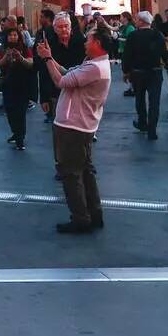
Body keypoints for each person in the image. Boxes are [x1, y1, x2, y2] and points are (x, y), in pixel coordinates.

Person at [37, 29, 113, 234]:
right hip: (83, 125)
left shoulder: (94, 68)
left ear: (97, 43)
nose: (85, 43)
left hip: (73, 125)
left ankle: (80, 218)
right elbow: (70, 73)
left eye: (88, 40)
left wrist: (46, 60)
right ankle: (93, 214)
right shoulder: (96, 65)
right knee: (85, 171)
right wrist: (51, 57)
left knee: (70, 173)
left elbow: (61, 81)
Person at [122, 11, 166, 140]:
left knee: (140, 99)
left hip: (138, 73)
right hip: (155, 72)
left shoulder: (133, 36)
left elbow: (127, 55)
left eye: (136, 19)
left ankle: (142, 123)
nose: (135, 21)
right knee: (154, 101)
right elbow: (164, 53)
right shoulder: (158, 35)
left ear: (141, 21)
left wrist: (126, 71)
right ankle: (152, 130)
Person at [0, 28, 34, 150]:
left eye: (15, 35)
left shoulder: (24, 49)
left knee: (20, 112)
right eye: (10, 35)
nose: (13, 37)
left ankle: (20, 139)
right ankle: (15, 132)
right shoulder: (2, 49)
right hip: (8, 85)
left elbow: (30, 63)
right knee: (10, 111)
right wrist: (6, 58)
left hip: (22, 84)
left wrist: (21, 58)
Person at [34, 9, 59, 122]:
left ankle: (54, 113)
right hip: (43, 65)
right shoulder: (40, 32)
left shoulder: (54, 32)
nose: (40, 19)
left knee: (53, 87)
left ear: (48, 18)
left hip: (52, 64)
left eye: (42, 16)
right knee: (45, 87)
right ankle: (49, 113)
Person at [117, 12, 136, 97]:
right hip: (123, 51)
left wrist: (119, 38)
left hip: (128, 52)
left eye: (121, 17)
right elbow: (114, 28)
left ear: (125, 18)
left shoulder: (130, 28)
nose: (120, 18)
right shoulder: (123, 27)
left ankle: (133, 88)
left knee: (129, 70)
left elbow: (130, 40)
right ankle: (131, 88)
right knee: (126, 70)